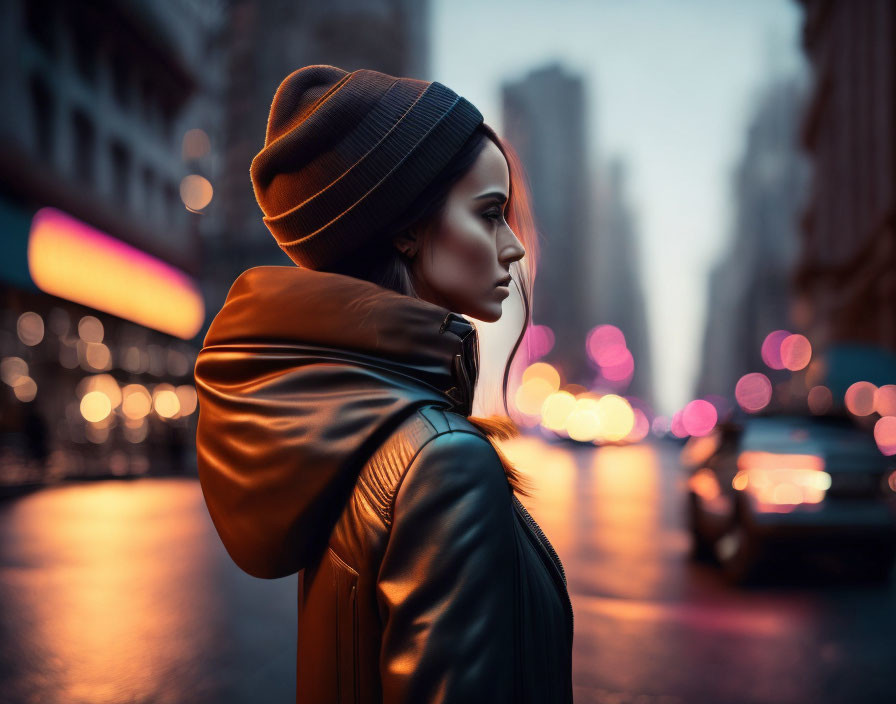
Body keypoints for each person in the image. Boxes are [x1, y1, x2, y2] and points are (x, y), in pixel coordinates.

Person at [194, 65, 574, 703]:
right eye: (489, 214)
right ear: (406, 227)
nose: (513, 248)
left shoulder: (348, 424)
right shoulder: (444, 461)